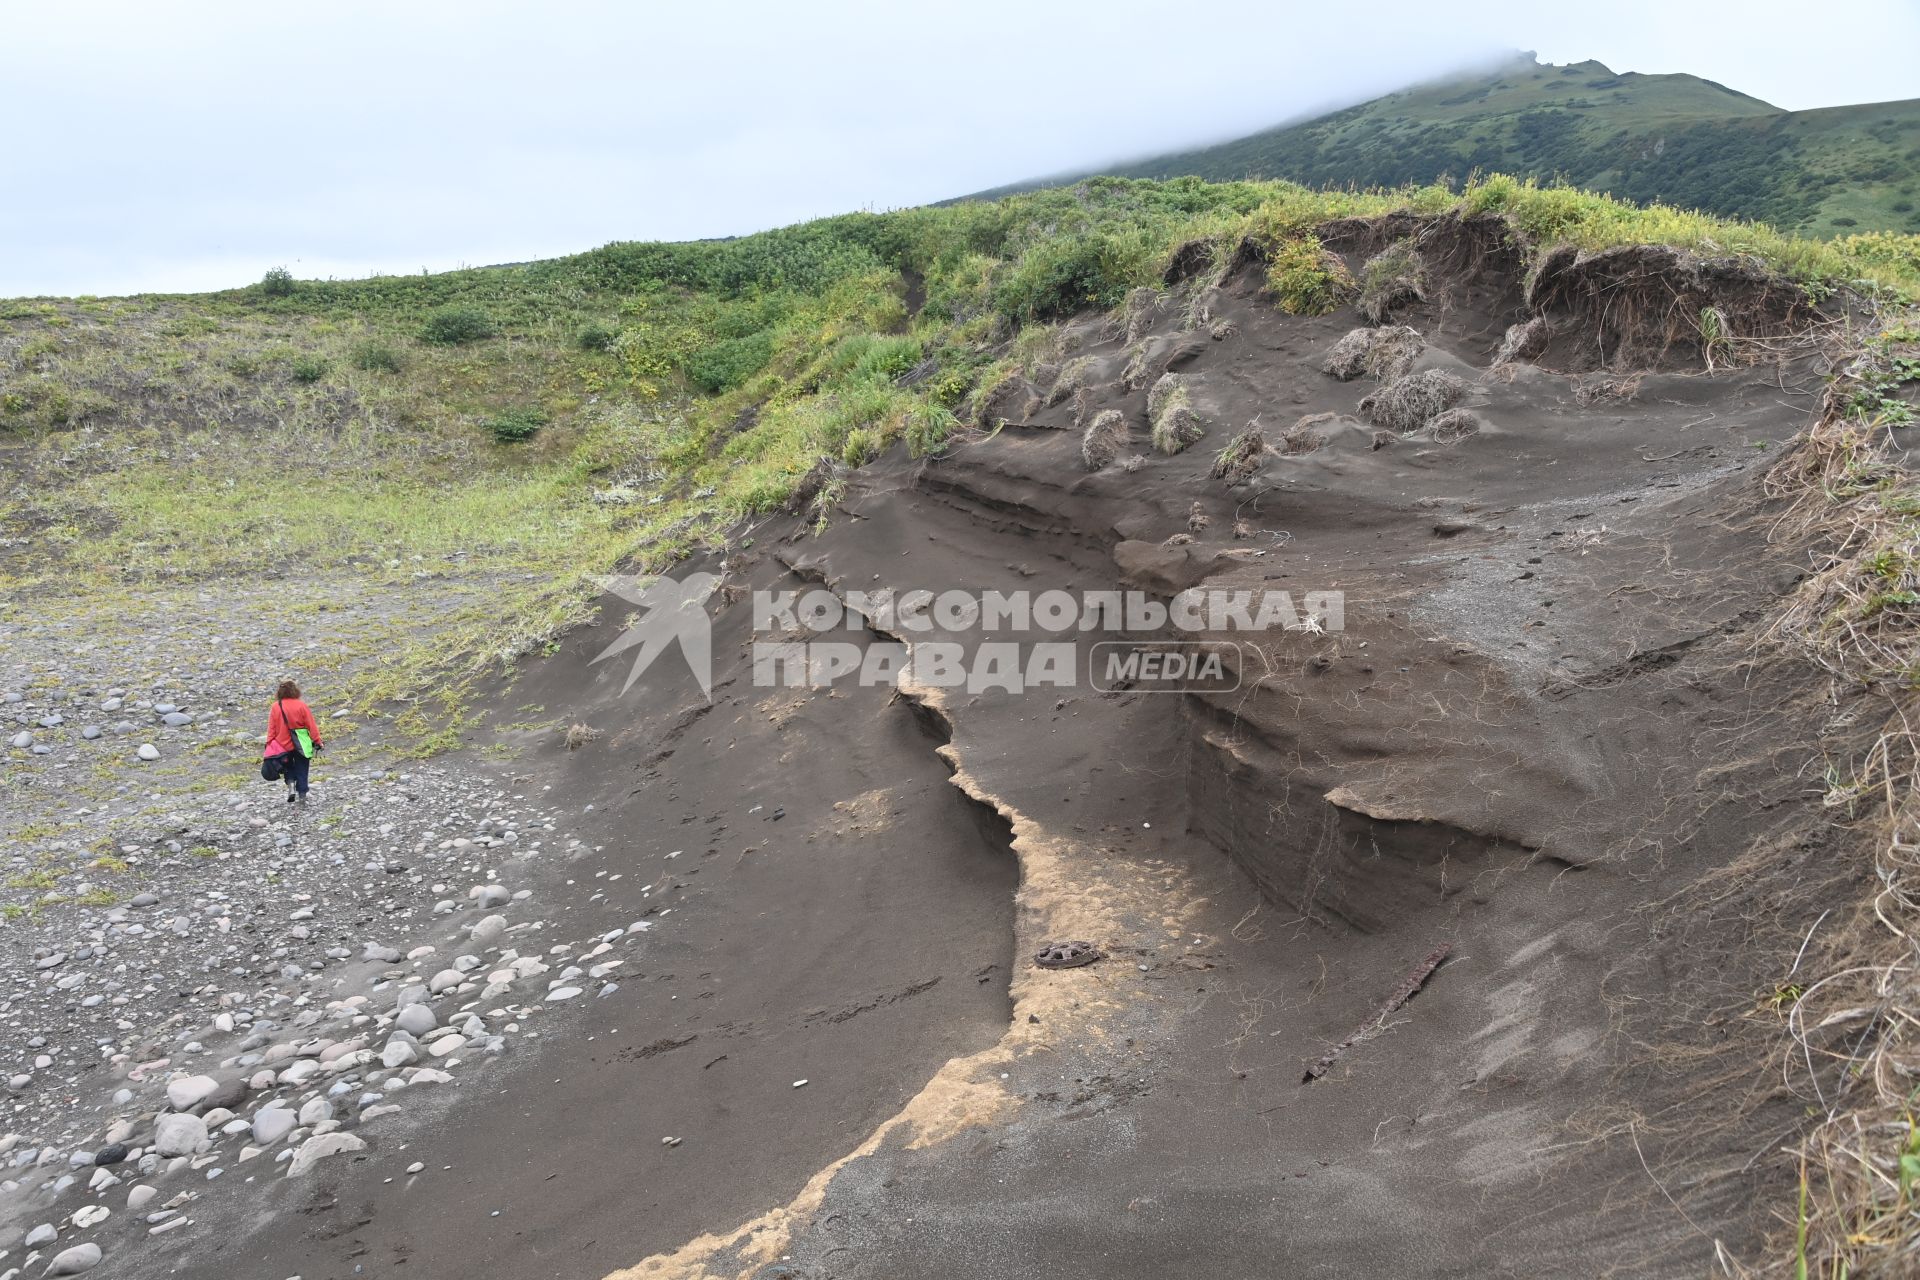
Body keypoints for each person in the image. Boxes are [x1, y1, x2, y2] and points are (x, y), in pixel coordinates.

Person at [264, 679, 323, 804]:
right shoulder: (301, 705)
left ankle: (290, 784)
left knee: (288, 766)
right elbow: (311, 725)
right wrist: (317, 740)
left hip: (282, 744)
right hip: (301, 742)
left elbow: (272, 728)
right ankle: (302, 794)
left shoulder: (276, 706)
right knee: (302, 766)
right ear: (295, 691)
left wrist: (269, 743)